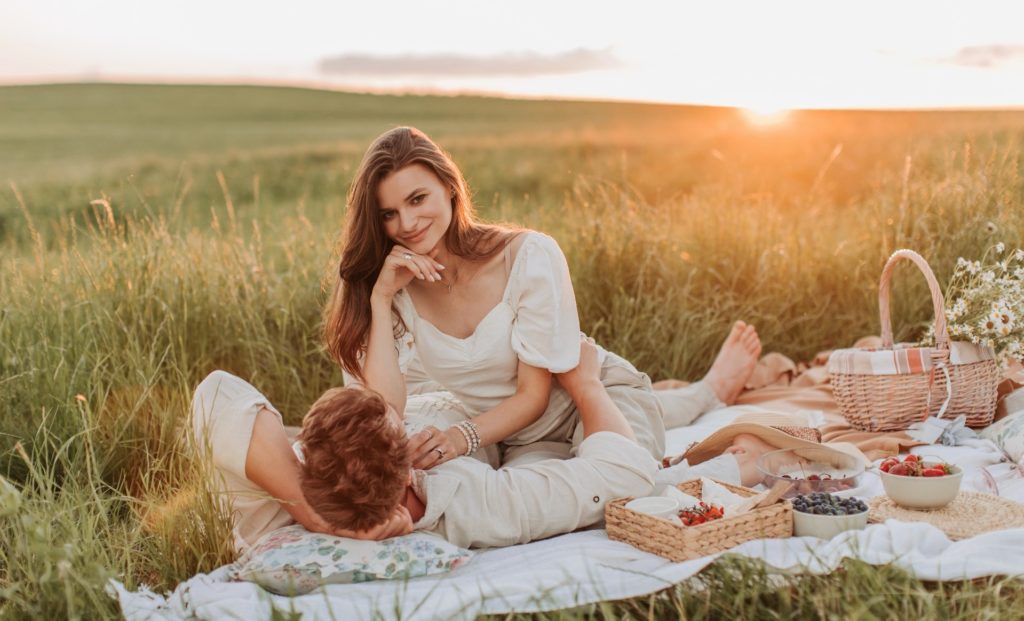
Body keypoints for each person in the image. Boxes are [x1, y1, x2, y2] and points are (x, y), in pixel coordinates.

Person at [322, 126, 763, 470]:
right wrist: (380, 299)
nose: (409, 223)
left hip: (587, 392)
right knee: (540, 506)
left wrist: (462, 437)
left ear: (450, 188)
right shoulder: (394, 282)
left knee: (622, 476)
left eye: (418, 199)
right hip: (512, 435)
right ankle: (703, 391)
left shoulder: (526, 254)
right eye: (389, 214)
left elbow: (533, 396)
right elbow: (386, 407)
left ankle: (710, 391)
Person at [192, 340, 788, 552]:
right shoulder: (475, 507)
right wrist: (580, 383)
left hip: (478, 410)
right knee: (634, 413)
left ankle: (699, 392)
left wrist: (313, 512)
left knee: (531, 404)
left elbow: (216, 393)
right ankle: (711, 390)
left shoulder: (281, 486)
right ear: (404, 479)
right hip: (579, 398)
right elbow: (623, 472)